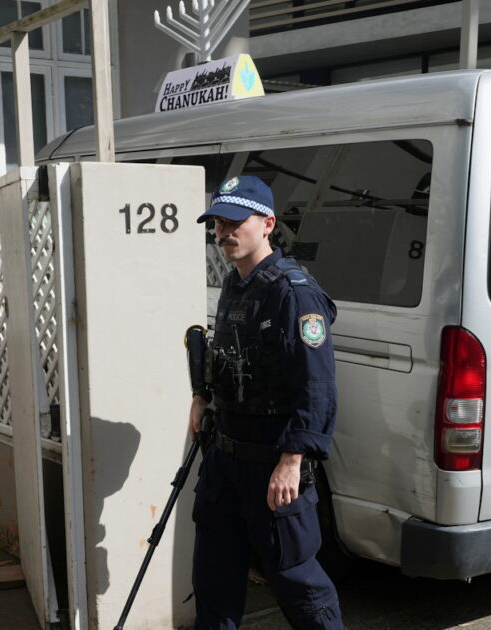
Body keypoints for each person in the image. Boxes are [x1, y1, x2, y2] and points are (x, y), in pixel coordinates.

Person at [189, 175, 344, 629]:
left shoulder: (294, 293)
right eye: (218, 223)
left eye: (235, 222)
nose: (224, 232)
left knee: (298, 583)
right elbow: (230, 358)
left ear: (268, 224)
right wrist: (201, 396)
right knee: (214, 581)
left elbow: (317, 386)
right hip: (225, 458)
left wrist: (292, 461)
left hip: (271, 462)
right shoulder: (235, 284)